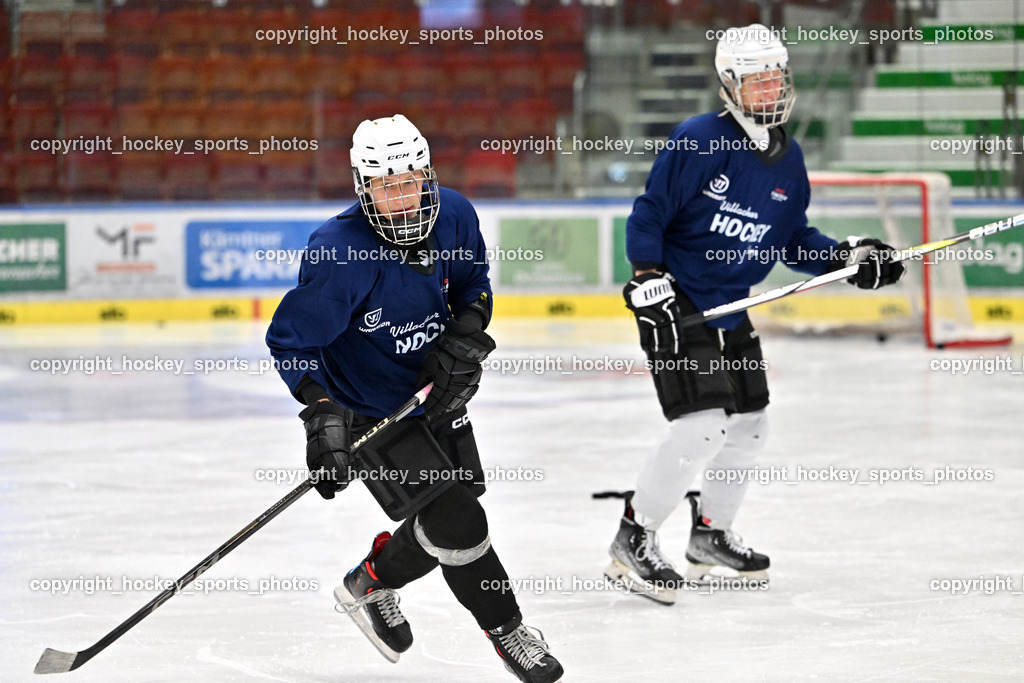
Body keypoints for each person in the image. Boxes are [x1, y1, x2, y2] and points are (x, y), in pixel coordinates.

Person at [605, 25, 905, 604]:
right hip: (678, 302)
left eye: (776, 77)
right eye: (756, 79)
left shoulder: (788, 160)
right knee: (701, 426)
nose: (769, 89)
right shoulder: (698, 139)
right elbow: (648, 215)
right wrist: (647, 281)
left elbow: (792, 240)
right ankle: (632, 539)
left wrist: (847, 258)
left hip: (732, 306)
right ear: (728, 84)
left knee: (749, 426)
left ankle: (710, 536)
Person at [266, 114, 563, 682]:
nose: (404, 198)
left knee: (454, 512)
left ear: (427, 175)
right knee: (461, 520)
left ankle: (370, 582)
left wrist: (465, 332)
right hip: (369, 410)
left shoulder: (453, 213)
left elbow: (475, 282)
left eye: (413, 181)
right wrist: (321, 414)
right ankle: (508, 632)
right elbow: (290, 342)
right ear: (363, 186)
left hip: (434, 396)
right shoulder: (338, 253)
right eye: (388, 185)